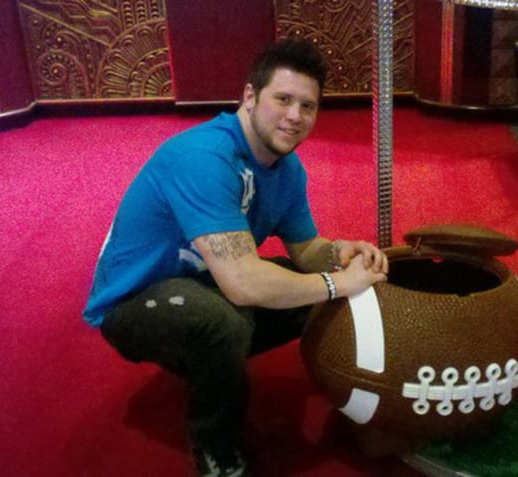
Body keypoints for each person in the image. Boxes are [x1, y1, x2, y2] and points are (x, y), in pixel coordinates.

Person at [83, 38, 389, 477]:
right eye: (282, 99)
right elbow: (244, 284)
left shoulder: (287, 169)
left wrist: (341, 254)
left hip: (208, 281)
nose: (295, 116)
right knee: (225, 321)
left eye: (308, 106)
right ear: (249, 97)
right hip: (134, 305)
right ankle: (215, 449)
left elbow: (304, 251)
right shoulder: (203, 157)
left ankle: (209, 360)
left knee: (309, 298)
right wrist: (338, 282)